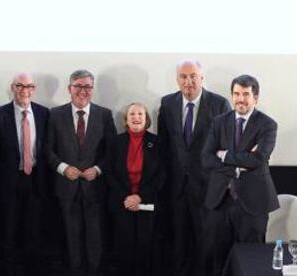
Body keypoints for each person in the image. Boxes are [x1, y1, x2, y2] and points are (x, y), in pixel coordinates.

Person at [157, 60, 231, 276]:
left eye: (193, 76)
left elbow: (227, 147)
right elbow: (164, 145)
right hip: (176, 187)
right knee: (178, 242)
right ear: (177, 79)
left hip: (207, 187)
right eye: (183, 76)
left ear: (202, 78)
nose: (188, 81)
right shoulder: (167, 103)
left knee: (205, 242)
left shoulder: (220, 104)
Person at [201, 74, 279, 276]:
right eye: (236, 94)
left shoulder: (268, 125)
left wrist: (225, 154)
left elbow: (258, 159)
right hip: (220, 200)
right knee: (217, 258)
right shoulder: (219, 122)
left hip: (253, 202)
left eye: (246, 94)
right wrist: (236, 166)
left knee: (252, 261)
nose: (240, 99)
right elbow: (206, 158)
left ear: (256, 98)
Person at [47, 69, 117, 276]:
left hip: (95, 188)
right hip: (66, 187)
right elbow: (47, 149)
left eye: (87, 86)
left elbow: (112, 151)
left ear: (92, 90)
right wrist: (63, 168)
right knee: (71, 237)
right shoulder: (55, 114)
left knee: (95, 237)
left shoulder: (104, 114)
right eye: (78, 86)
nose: (83, 91)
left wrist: (97, 169)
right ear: (69, 88)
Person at [0, 73, 49, 276]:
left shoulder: (44, 114)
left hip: (36, 183)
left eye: (29, 86)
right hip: (8, 183)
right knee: (8, 233)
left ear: (34, 89)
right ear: (12, 88)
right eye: (20, 86)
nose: (25, 90)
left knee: (34, 234)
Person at [107, 103, 166, 276]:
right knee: (124, 246)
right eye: (132, 114)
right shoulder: (116, 142)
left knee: (145, 245)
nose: (136, 117)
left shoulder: (157, 142)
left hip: (147, 202)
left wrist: (139, 197)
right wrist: (127, 197)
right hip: (122, 202)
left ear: (146, 119)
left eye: (140, 113)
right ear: (126, 120)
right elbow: (109, 172)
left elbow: (161, 174)